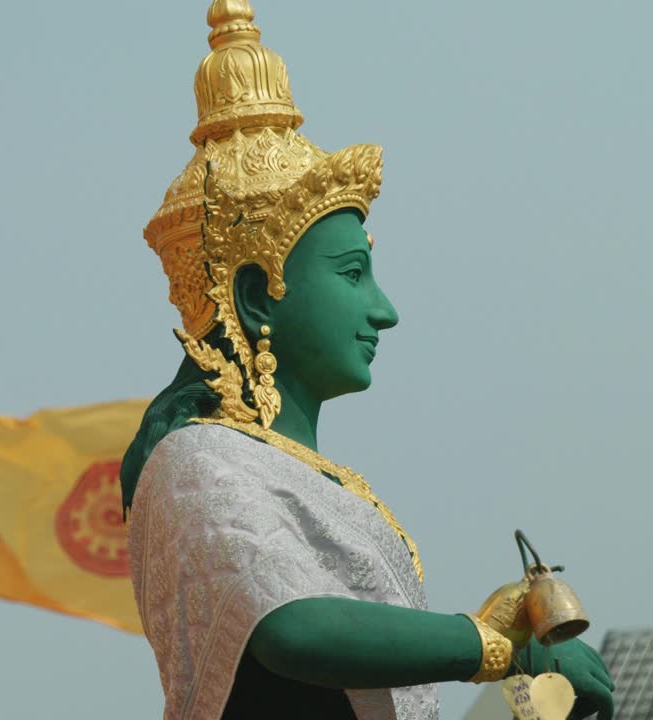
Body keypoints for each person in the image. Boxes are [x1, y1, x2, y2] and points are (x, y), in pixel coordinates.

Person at [120, 2, 615, 718]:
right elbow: (294, 629)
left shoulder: (320, 481)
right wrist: (492, 647)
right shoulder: (195, 461)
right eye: (353, 275)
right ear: (259, 296)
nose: (383, 310)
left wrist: (520, 680)